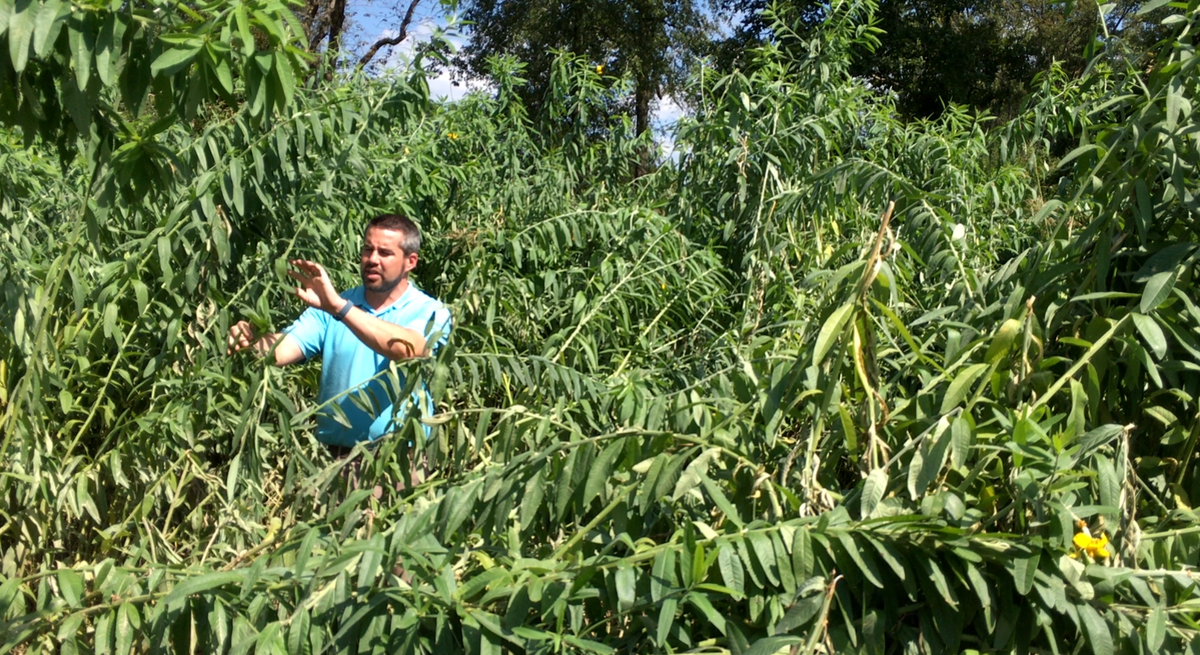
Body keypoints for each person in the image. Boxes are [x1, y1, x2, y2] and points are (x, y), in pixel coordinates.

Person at [227, 214, 451, 453]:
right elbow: (280, 351)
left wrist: (340, 309)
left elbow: (408, 349)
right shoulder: (332, 307)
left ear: (410, 261)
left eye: (385, 253)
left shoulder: (430, 311)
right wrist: (251, 341)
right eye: (367, 249)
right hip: (332, 458)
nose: (372, 259)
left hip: (396, 460)